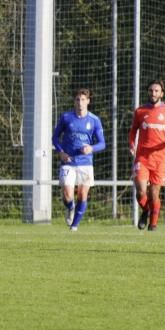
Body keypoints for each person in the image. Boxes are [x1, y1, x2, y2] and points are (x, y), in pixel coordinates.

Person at [128, 80, 165, 231]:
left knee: (154, 194)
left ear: (162, 93)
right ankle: (146, 210)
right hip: (143, 157)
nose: (153, 93)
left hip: (161, 159)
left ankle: (153, 224)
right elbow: (133, 131)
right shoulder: (140, 111)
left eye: (156, 91)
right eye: (151, 90)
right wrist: (132, 145)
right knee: (140, 190)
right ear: (148, 92)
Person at [51, 88, 106, 231]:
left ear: (88, 101)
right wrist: (61, 152)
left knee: (82, 194)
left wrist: (91, 148)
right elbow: (55, 138)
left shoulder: (94, 120)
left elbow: (102, 143)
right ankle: (70, 207)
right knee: (68, 194)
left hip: (86, 162)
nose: (80, 103)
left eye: (83, 100)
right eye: (77, 100)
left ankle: (74, 226)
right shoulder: (66, 117)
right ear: (74, 101)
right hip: (68, 162)